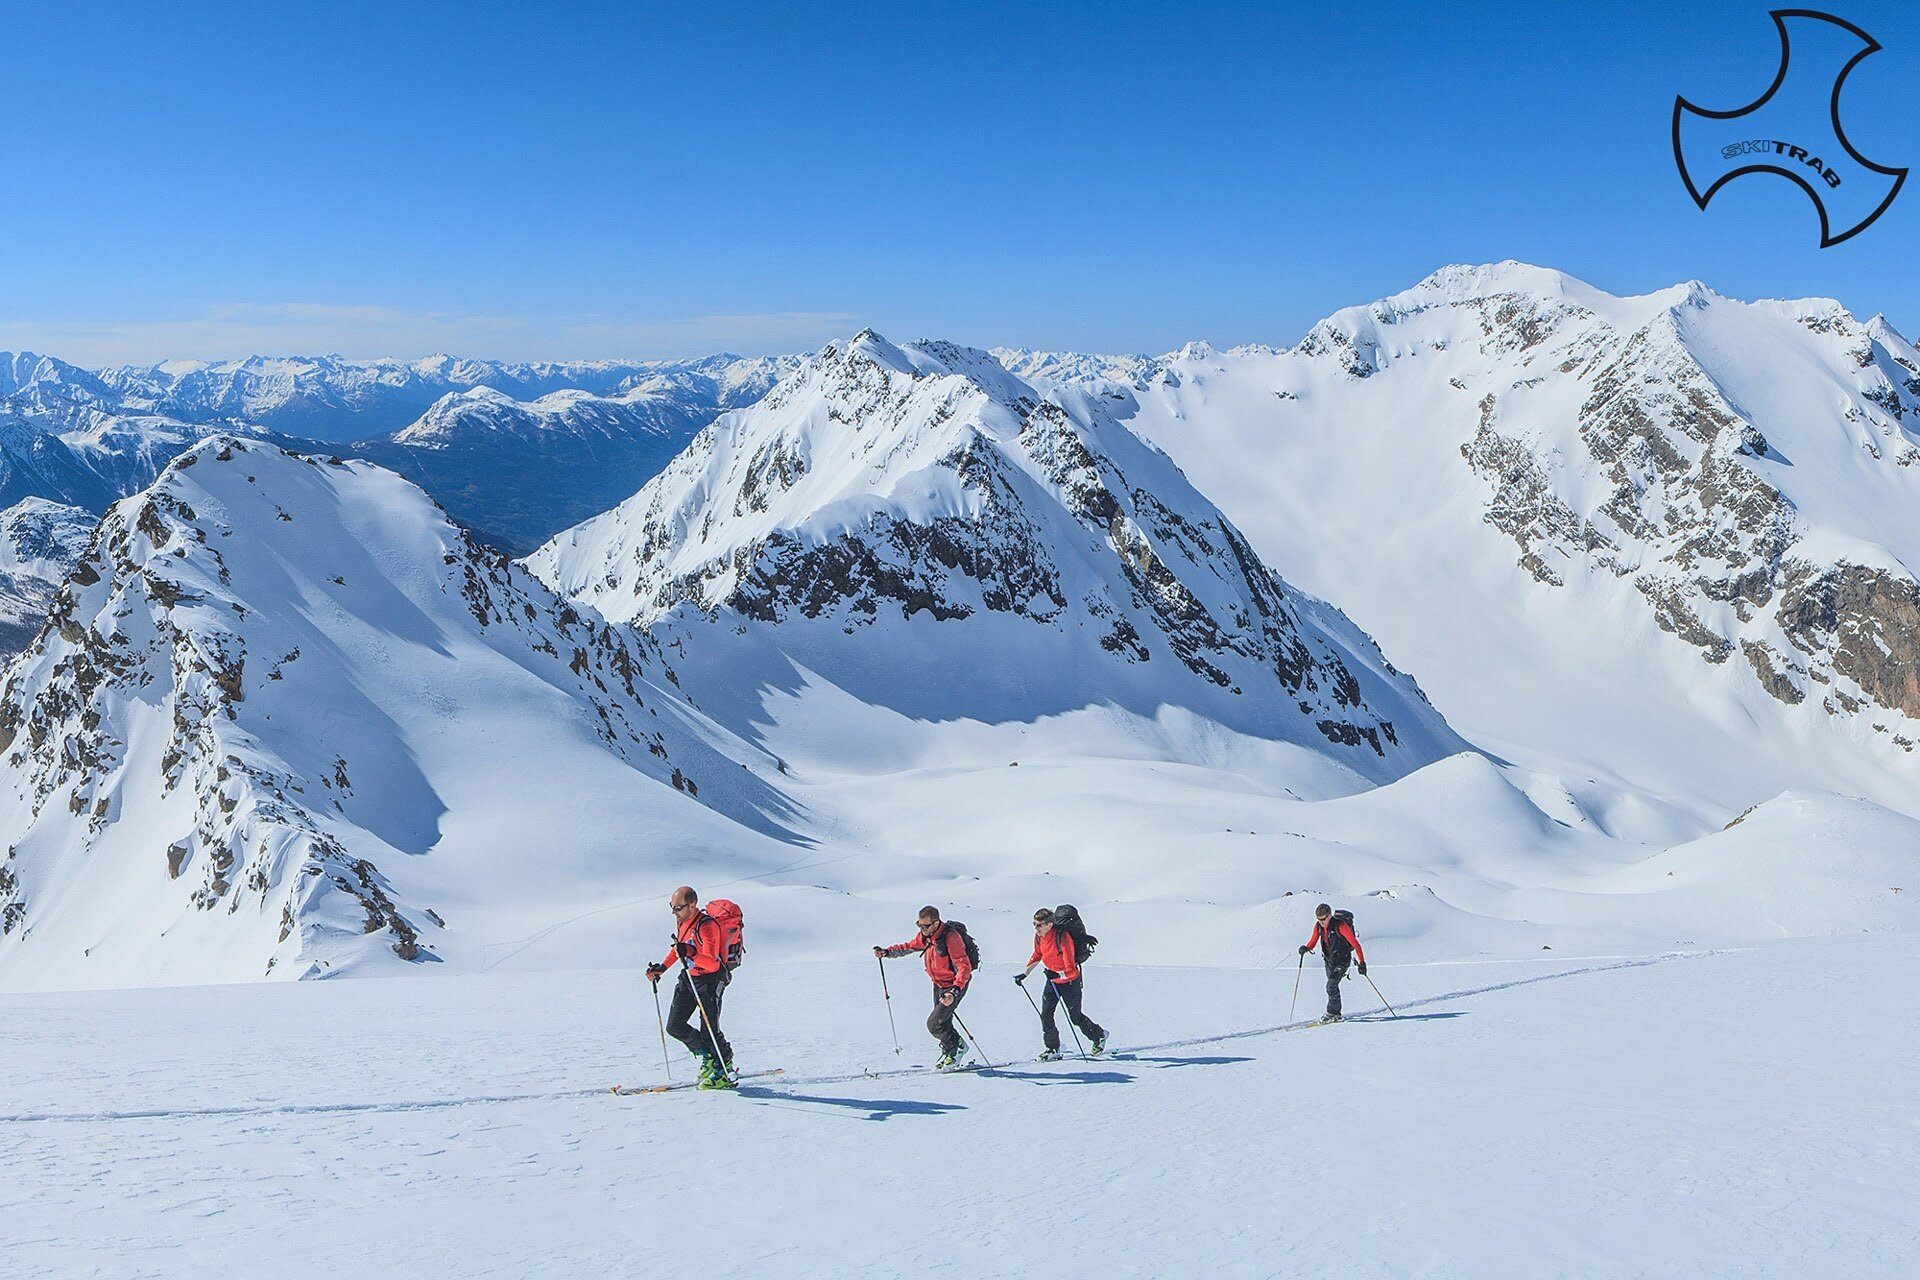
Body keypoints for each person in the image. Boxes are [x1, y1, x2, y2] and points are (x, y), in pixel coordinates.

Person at [647, 886, 735, 1088]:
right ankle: (709, 1058)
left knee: (710, 1030)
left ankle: (724, 1067)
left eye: (677, 907)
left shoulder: (707, 926)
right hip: (689, 976)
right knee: (674, 1026)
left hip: (710, 981)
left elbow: (712, 962)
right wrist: (662, 968)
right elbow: (679, 949)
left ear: (692, 905)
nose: (674, 912)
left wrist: (691, 952)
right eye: (672, 907)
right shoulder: (682, 920)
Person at [874, 906, 974, 1068]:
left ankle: (955, 1050)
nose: (922, 929)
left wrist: (955, 991)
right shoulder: (926, 937)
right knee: (943, 1022)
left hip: (954, 986)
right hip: (939, 984)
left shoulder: (951, 937)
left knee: (934, 1023)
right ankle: (955, 1048)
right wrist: (887, 952)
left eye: (925, 926)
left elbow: (964, 966)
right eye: (919, 925)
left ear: (935, 923)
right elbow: (908, 947)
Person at [1016, 907, 1108, 1059]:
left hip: (1070, 982)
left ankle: (1099, 1035)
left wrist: (1057, 974)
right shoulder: (1039, 937)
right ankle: (1053, 1049)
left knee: (1075, 1017)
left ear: (1050, 925)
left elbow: (1071, 970)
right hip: (1052, 981)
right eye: (1034, 924)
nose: (1036, 929)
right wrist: (1025, 974)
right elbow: (1038, 954)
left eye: (1039, 925)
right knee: (1046, 1015)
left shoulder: (1062, 938)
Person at [1298, 902, 1366, 1023]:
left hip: (1342, 960)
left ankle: (1333, 1012)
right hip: (1329, 961)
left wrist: (1362, 963)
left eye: (1323, 919)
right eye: (1318, 919)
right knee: (1332, 986)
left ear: (1329, 916)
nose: (1321, 922)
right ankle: (1336, 1013)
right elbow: (1313, 941)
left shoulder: (1340, 926)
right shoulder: (1318, 926)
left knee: (1331, 986)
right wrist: (1306, 948)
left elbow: (1356, 945)